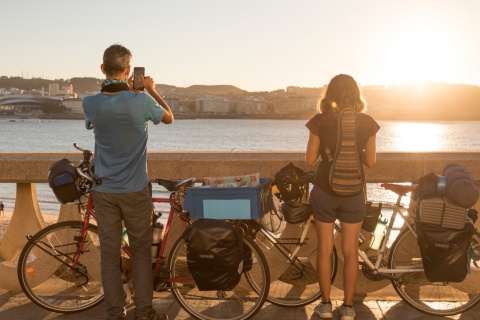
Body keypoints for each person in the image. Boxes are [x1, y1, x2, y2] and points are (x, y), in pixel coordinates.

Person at [82, 44, 174, 320]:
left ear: (102, 69)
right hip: (135, 190)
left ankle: (115, 313)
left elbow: (99, 114)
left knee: (109, 255)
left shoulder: (90, 103)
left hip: (104, 191)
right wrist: (150, 89)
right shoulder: (142, 101)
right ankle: (144, 312)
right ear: (129, 71)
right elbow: (169, 117)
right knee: (140, 254)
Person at [305, 74, 379, 320]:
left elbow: (309, 160)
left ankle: (325, 305)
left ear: (330, 94)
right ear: (356, 94)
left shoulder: (320, 121)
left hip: (325, 191)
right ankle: (348, 308)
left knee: (325, 249)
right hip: (354, 193)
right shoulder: (367, 123)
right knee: (350, 252)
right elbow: (370, 162)